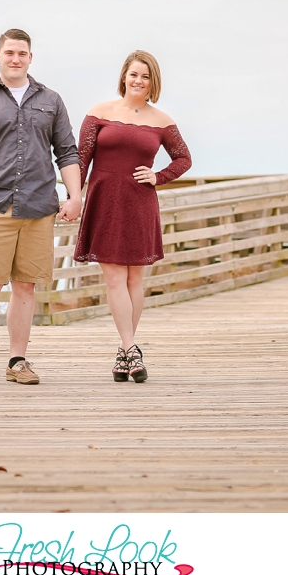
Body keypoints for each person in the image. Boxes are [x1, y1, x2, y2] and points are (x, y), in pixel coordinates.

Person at [0, 29, 82, 388]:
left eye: (22, 53)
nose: (15, 58)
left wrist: (75, 195)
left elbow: (67, 152)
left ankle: (18, 361)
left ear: (30, 58)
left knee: (26, 288)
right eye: (9, 52)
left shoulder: (51, 101)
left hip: (40, 208)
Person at [73, 50, 191, 383]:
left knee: (135, 280)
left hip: (140, 202)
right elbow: (81, 159)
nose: (138, 81)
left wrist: (159, 176)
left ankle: (126, 352)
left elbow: (183, 159)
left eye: (146, 76)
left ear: (153, 82)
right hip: (104, 200)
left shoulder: (162, 120)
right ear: (124, 76)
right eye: (134, 74)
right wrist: (74, 197)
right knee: (114, 278)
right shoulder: (99, 112)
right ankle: (130, 349)